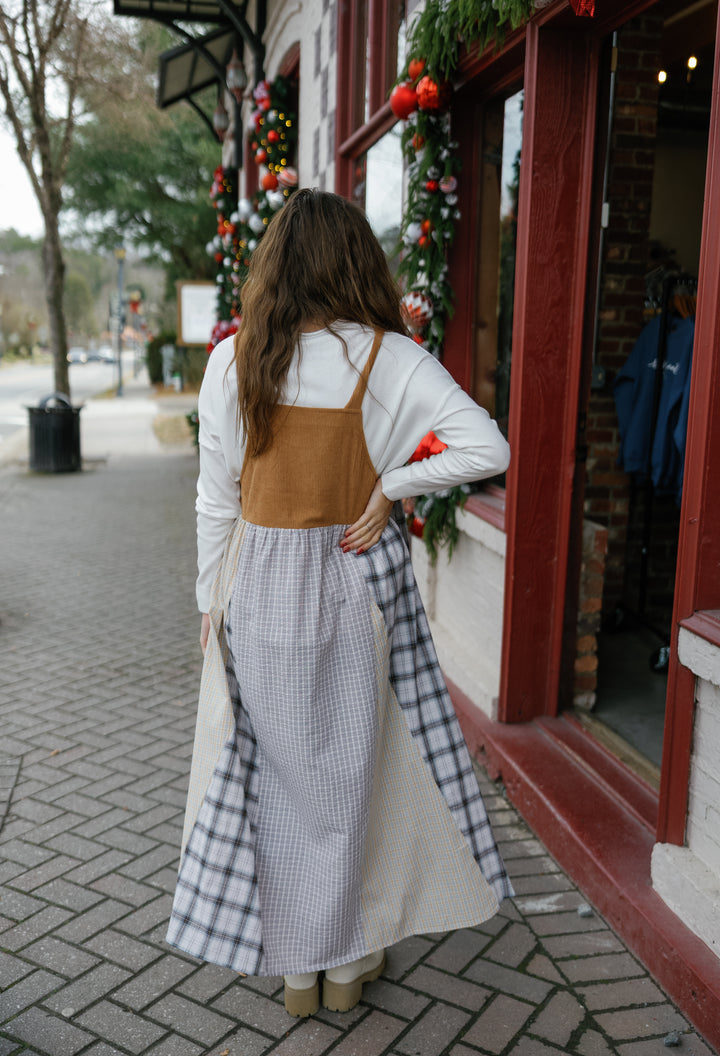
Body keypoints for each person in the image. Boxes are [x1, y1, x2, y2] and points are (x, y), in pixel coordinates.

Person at [166, 189, 513, 1017]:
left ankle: (296, 976)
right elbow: (485, 445)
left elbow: (215, 500)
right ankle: (351, 965)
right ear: (357, 263)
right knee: (354, 773)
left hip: (258, 590)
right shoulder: (388, 357)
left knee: (279, 781)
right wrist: (394, 485)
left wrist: (210, 600)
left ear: (274, 266)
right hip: (355, 586)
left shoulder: (234, 359)